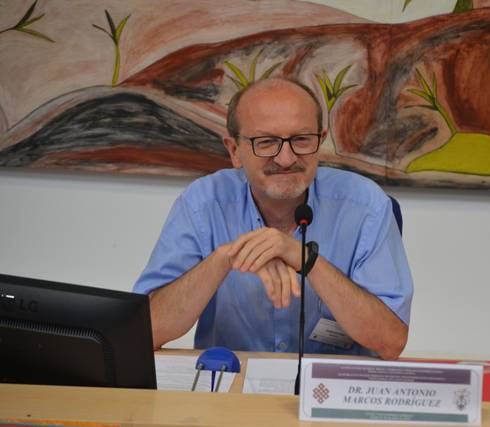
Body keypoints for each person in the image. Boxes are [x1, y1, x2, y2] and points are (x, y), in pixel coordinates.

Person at [133, 78, 413, 359]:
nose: (286, 158)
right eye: (266, 142)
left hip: (331, 390)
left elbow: (390, 342)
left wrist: (305, 259)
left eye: (301, 139)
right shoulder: (203, 204)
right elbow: (148, 331)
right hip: (231, 390)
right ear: (234, 151)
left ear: (320, 141)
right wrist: (226, 257)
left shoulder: (366, 205)